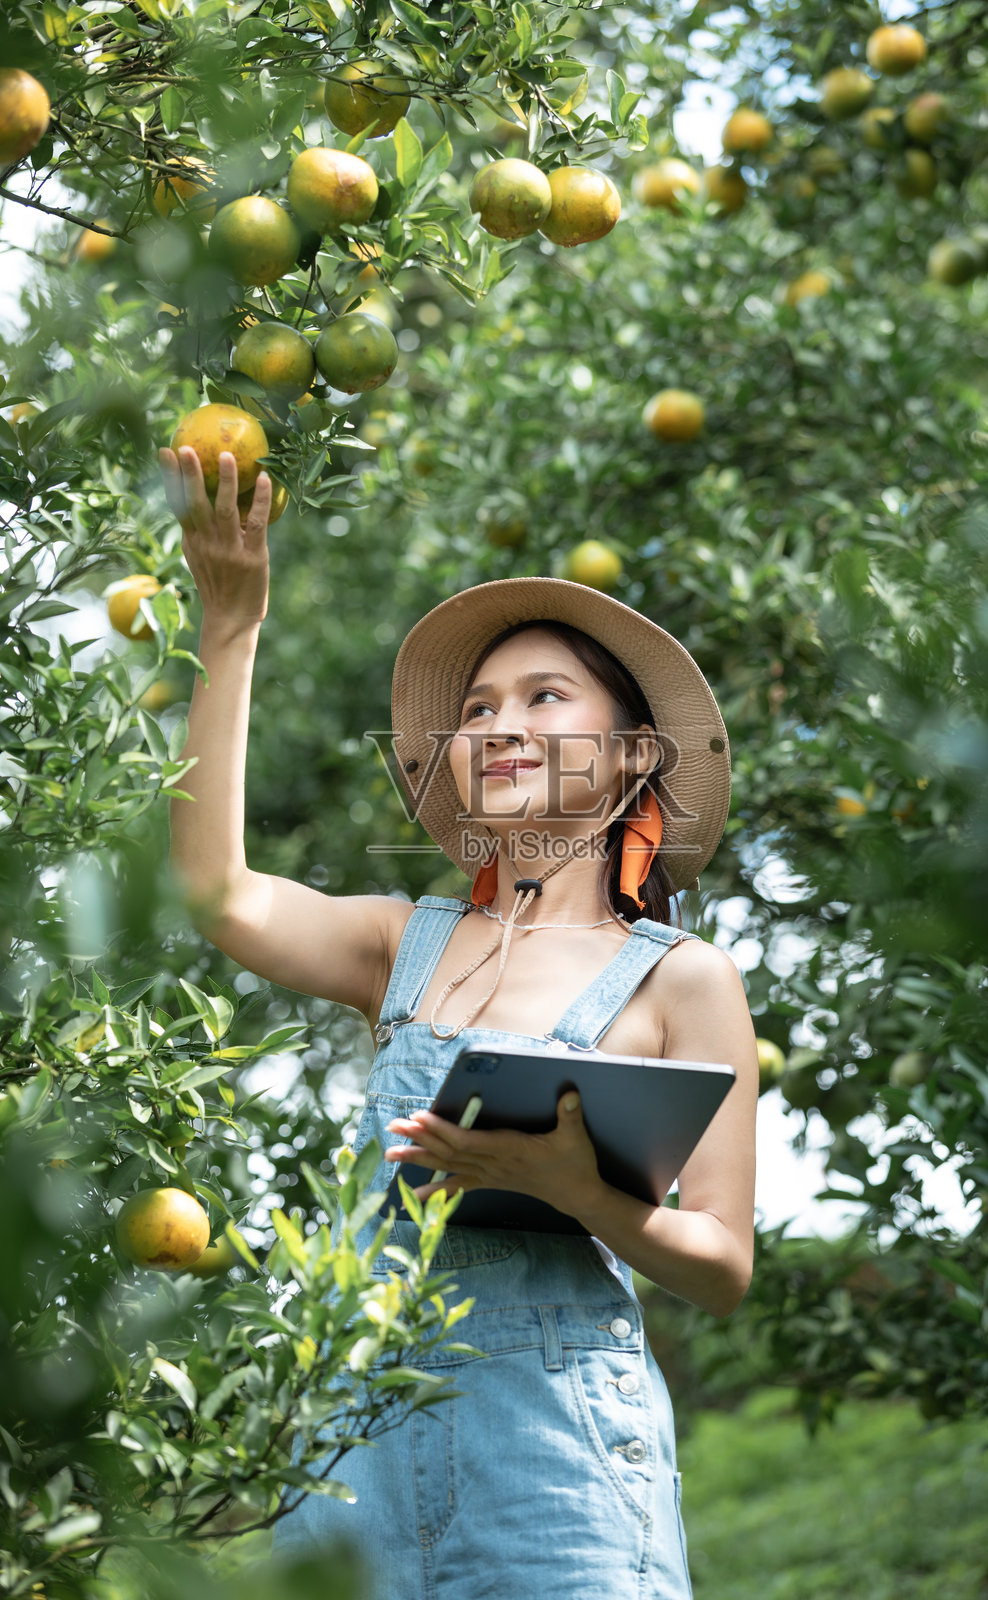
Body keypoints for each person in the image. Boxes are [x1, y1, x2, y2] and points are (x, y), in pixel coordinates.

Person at [159, 446, 759, 1600]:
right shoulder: (401, 940)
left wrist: (577, 1187)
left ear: (632, 752)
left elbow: (723, 1266)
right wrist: (228, 626)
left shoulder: (682, 980)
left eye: (543, 697)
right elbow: (216, 891)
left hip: (557, 1456)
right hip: (361, 1440)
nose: (498, 724)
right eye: (478, 707)